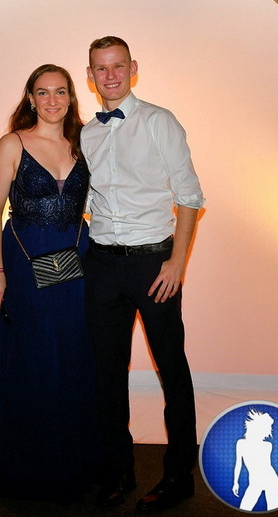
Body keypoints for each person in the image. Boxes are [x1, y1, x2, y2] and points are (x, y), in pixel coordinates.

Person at [81, 36, 204, 512]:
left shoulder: (159, 121)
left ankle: (179, 476)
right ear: (90, 77)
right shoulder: (86, 134)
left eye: (117, 66)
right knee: (106, 373)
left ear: (133, 68)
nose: (110, 75)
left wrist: (176, 262)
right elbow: (86, 202)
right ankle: (119, 471)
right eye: (100, 68)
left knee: (172, 368)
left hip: (154, 264)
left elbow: (189, 196)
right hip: (102, 265)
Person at [0, 63, 100, 502]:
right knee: (31, 361)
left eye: (61, 91)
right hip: (24, 262)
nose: (52, 100)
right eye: (43, 92)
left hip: (77, 261)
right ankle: (26, 470)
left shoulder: (85, 143)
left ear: (71, 97)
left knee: (75, 359)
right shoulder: (12, 143)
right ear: (31, 98)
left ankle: (75, 466)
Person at [232, 409, 278, 511]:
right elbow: (238, 464)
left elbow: (267, 465)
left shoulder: (268, 445)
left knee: (273, 510)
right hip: (255, 482)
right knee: (244, 508)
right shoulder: (241, 443)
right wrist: (235, 482)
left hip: (271, 480)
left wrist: (276, 487)